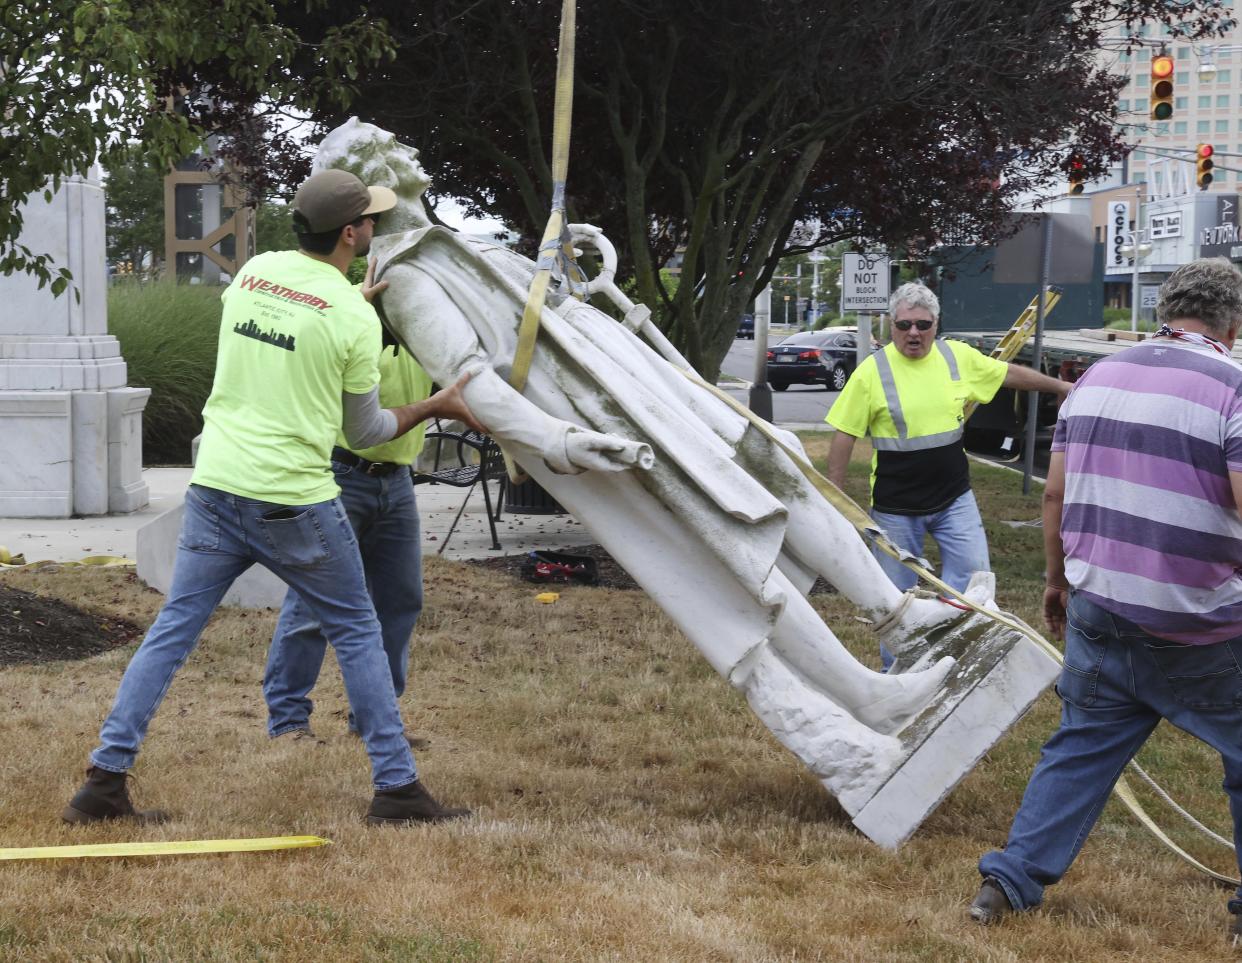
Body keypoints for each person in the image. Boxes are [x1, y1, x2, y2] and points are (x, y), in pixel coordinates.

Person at [310, 119, 1025, 809]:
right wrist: (560, 443)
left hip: (631, 379)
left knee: (774, 467)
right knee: (729, 558)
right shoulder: (402, 277)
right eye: (384, 142)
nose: (401, 145)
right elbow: (474, 382)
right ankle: (859, 701)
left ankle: (896, 617)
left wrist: (571, 276)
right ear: (375, 177)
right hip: (593, 413)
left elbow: (543, 312)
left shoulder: (453, 242)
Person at [63, 169, 481, 827]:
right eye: (368, 219)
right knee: (359, 630)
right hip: (297, 503)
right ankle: (396, 788)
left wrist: (353, 308)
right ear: (351, 233)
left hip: (216, 489)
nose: (372, 226)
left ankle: (103, 782)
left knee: (173, 631)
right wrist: (437, 402)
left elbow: (297, 321)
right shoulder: (349, 315)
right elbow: (365, 430)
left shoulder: (252, 276)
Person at [971, 258, 1242, 943]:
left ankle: (1007, 880)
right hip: (1201, 620)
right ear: (1232, 323)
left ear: (1164, 311)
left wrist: (1056, 580)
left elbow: (1055, 493)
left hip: (1100, 601)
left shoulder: (1096, 378)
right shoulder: (1233, 389)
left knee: (1081, 745)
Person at [825, 283, 1070, 664]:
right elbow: (844, 436)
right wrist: (834, 501)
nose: (913, 333)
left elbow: (1006, 374)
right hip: (895, 510)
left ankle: (957, 660)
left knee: (975, 585)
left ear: (936, 324)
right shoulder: (873, 372)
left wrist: (1062, 386)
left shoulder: (956, 357)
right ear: (891, 325)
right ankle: (899, 676)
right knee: (895, 604)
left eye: (923, 324)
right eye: (904, 325)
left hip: (954, 500)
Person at [262, 341, 433, 748]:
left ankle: (376, 720)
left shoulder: (426, 330)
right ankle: (287, 721)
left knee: (400, 600)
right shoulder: (354, 318)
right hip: (339, 473)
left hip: (397, 480)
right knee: (311, 603)